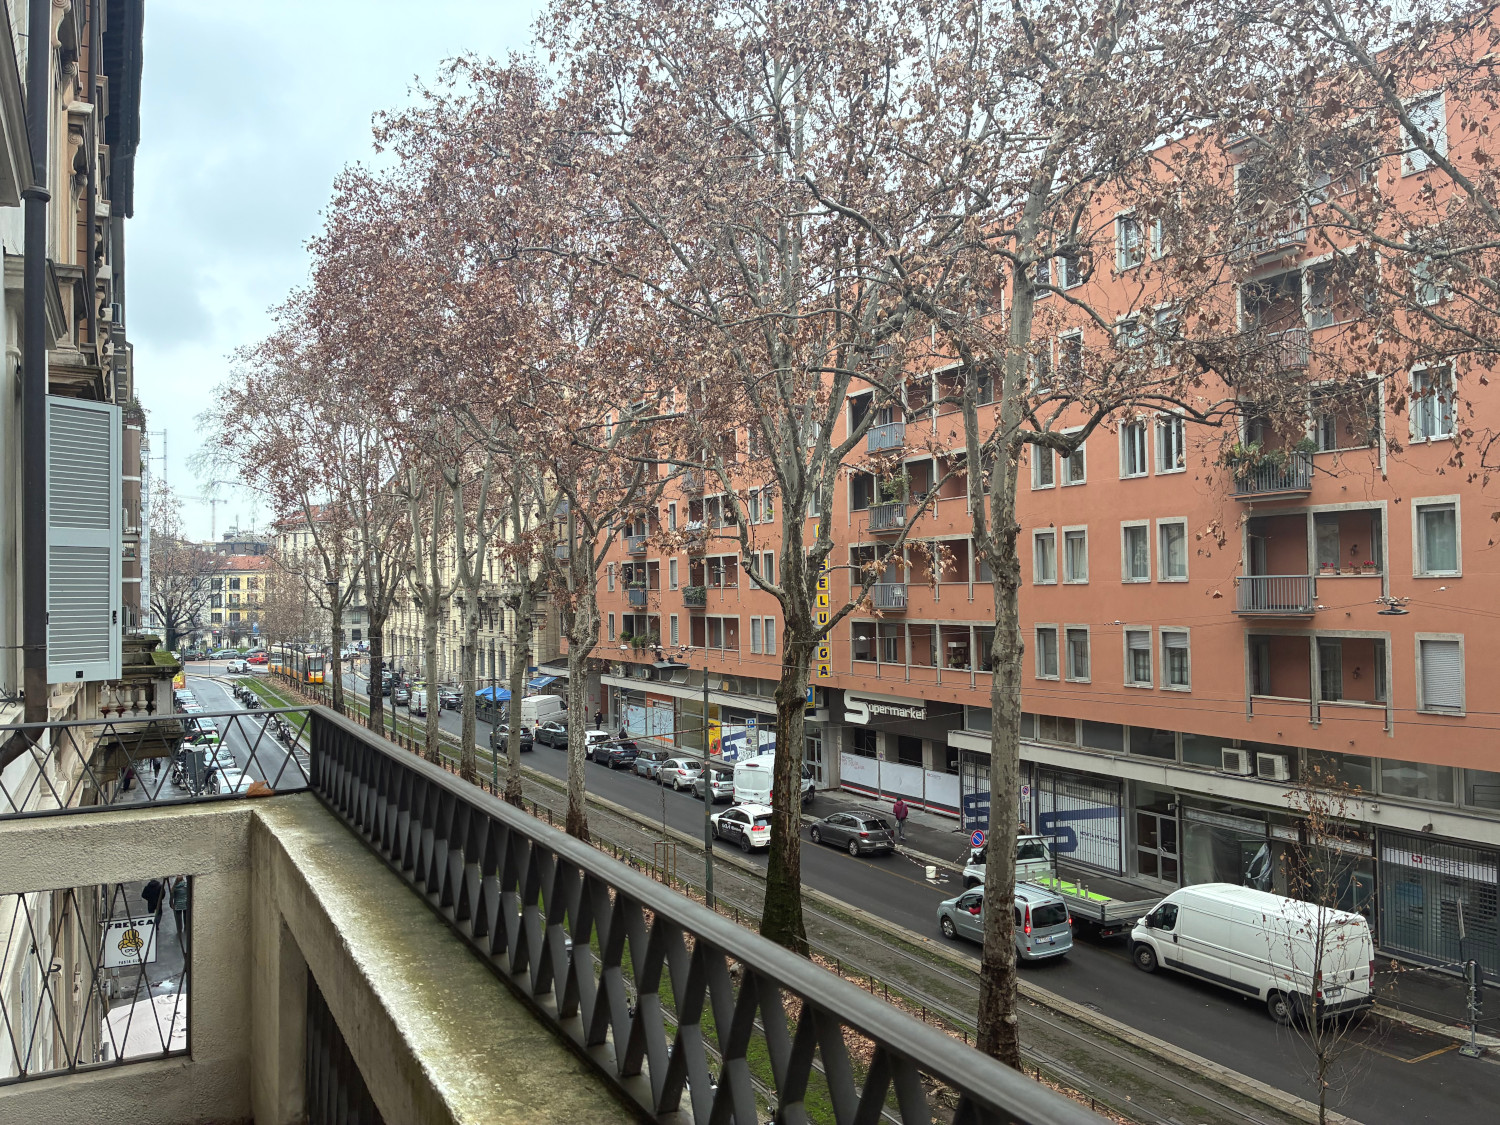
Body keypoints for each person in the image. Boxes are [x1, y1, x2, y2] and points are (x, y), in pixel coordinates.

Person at [169, 876, 189, 941]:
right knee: (186, 916)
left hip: (177, 905)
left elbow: (172, 896)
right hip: (185, 904)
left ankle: (179, 929)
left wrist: (171, 903)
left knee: (178, 918)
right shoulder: (186, 885)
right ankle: (186, 926)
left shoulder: (174, 888)